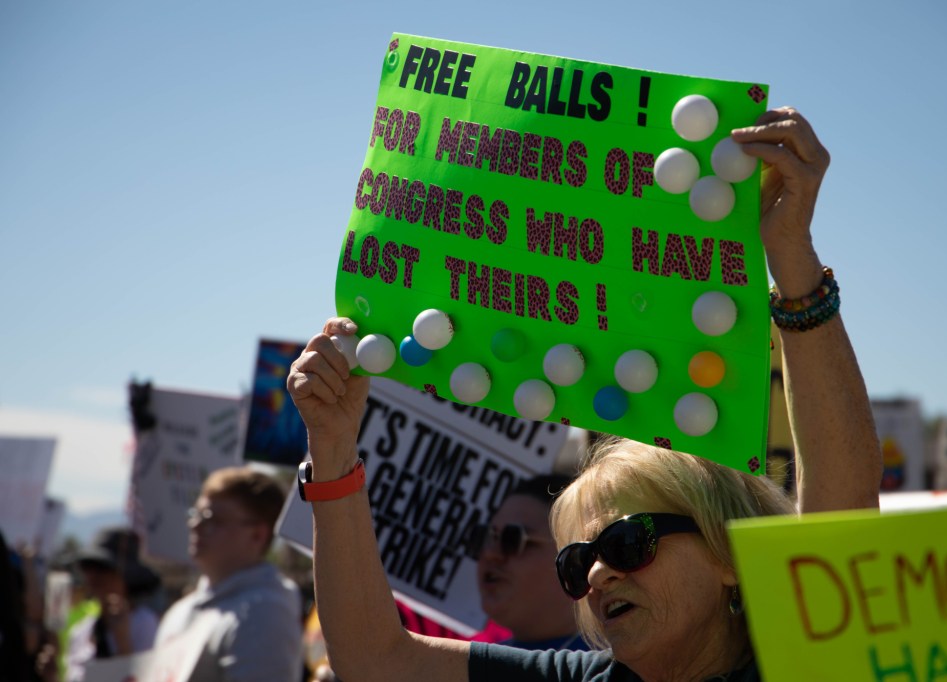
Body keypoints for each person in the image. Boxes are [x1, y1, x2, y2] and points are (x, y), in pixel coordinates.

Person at [286, 108, 882, 681]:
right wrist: (334, 447)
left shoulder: (799, 661)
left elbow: (842, 508)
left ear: (728, 555)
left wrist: (794, 261)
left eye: (627, 542)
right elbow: (374, 661)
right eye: (574, 564)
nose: (596, 573)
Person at [154, 466, 303, 682]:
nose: (195, 525)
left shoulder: (264, 613)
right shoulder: (181, 609)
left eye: (213, 519)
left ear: (257, 535)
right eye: (196, 514)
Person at [472, 474, 586, 650]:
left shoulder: (621, 668)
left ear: (575, 561)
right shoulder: (474, 664)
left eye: (513, 539)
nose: (490, 554)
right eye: (488, 536)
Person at [65, 527, 161, 682]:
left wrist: (123, 642)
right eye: (89, 567)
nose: (94, 576)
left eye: (104, 569)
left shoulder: (144, 623)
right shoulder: (81, 631)